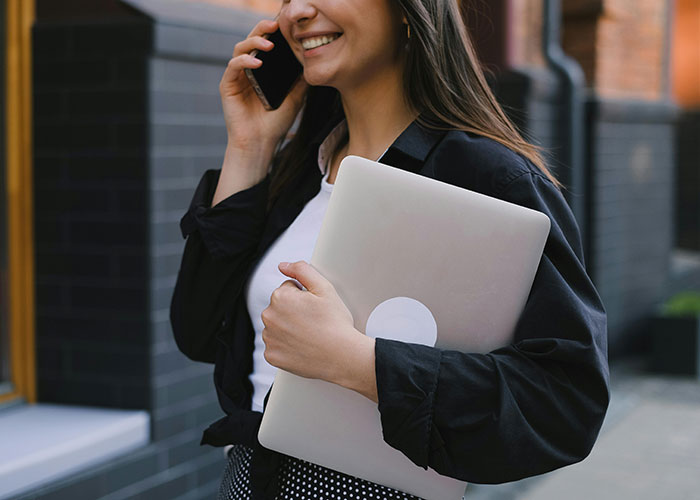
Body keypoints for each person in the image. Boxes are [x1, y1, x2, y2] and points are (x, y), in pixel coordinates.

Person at [170, 0, 610, 498]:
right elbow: (197, 333)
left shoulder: (488, 178)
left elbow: (565, 405)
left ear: (407, 10)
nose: (296, 12)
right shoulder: (299, 172)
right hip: (248, 481)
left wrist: (356, 362)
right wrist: (248, 149)